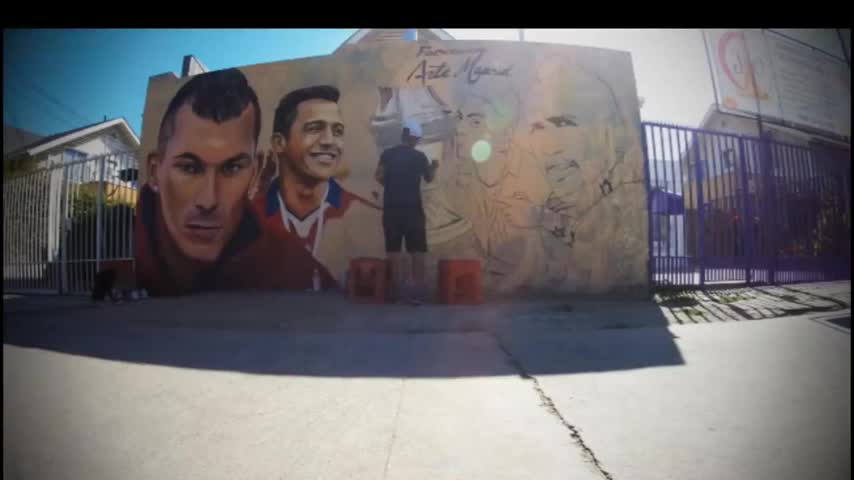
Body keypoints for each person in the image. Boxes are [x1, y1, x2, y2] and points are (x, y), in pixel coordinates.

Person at [135, 68, 334, 295]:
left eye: (232, 168)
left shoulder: (290, 263)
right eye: (189, 168)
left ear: (256, 172)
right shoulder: (130, 258)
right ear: (154, 171)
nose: (208, 201)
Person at [254, 85, 383, 284]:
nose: (329, 141)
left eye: (338, 131)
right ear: (279, 143)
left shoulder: (364, 216)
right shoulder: (249, 220)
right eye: (314, 129)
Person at [375, 119, 439, 303]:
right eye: (417, 139)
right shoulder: (419, 157)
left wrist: (392, 184)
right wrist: (434, 166)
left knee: (393, 251)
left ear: (402, 135)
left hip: (392, 209)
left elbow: (378, 176)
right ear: (413, 138)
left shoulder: (387, 154)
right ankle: (417, 294)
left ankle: (396, 294)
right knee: (417, 251)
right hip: (413, 210)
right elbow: (429, 178)